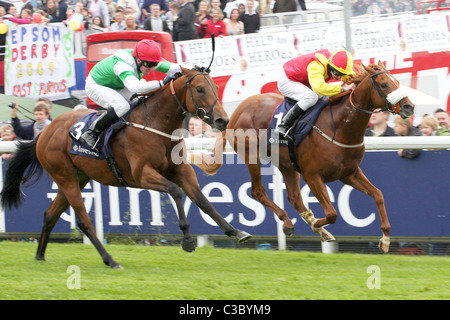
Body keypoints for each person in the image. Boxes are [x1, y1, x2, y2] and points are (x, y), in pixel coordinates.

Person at [79, 39, 183, 151]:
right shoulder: (123, 64)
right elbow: (135, 87)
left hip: (116, 85)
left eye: (155, 64)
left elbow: (175, 67)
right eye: (149, 65)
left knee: (141, 99)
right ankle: (91, 133)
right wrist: (162, 83)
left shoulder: (146, 59)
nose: (151, 68)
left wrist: (198, 69)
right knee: (122, 107)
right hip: (96, 85)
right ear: (138, 60)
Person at [275, 49, 356, 141]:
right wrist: (342, 89)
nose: (339, 77)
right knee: (311, 97)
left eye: (342, 74)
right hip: (288, 80)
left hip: (303, 82)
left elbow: (348, 78)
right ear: (330, 65)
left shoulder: (334, 65)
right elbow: (319, 88)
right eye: (337, 73)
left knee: (326, 96)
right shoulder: (317, 65)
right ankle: (283, 126)